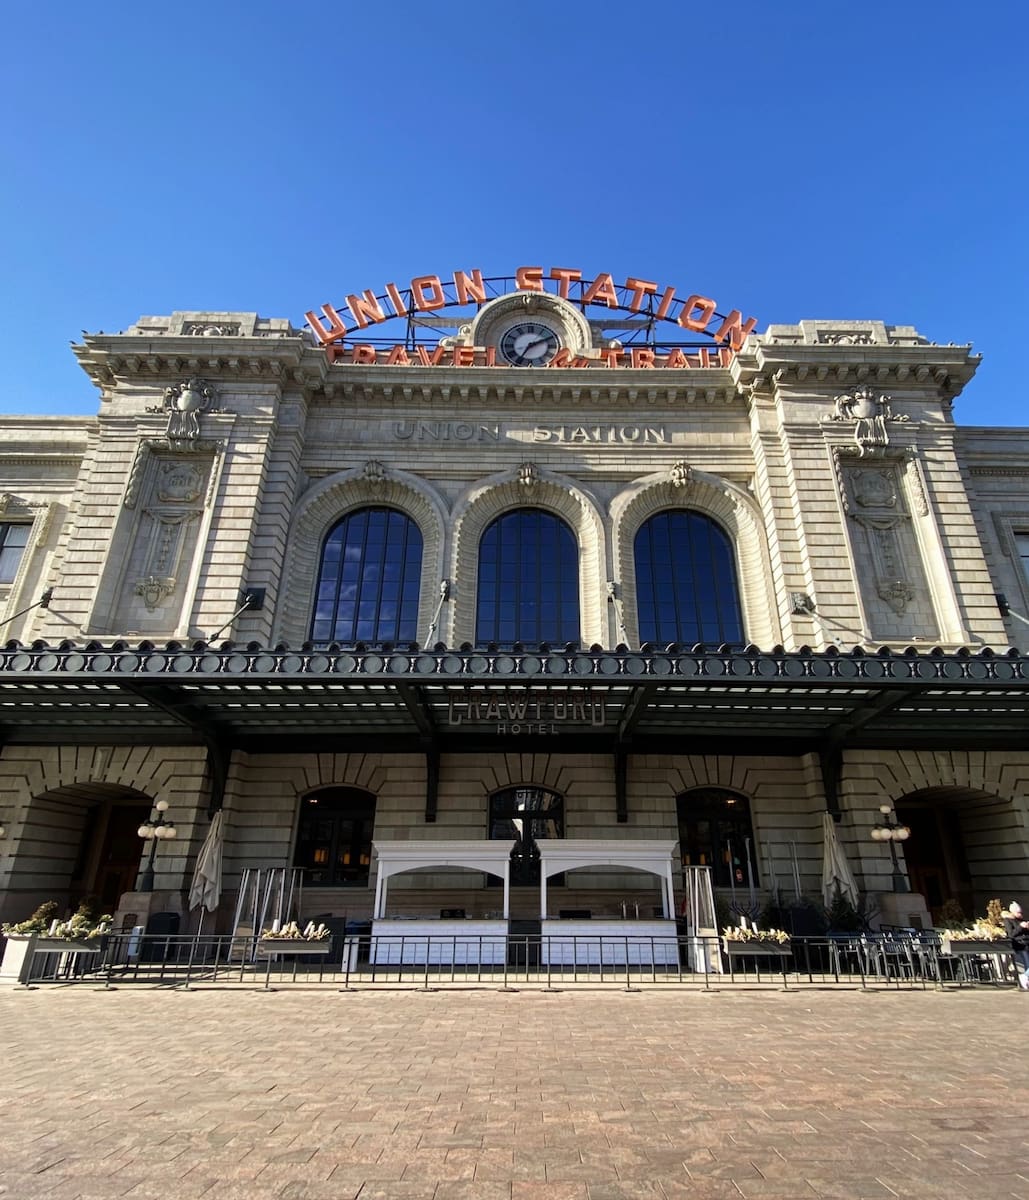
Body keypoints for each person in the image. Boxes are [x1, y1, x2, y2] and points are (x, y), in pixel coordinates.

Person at [1003, 901, 1029, 990]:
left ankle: (1026, 978)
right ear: (1013, 912)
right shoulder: (1008, 920)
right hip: (1020, 944)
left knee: (1027, 965)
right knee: (1027, 963)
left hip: (1027, 943)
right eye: (1018, 912)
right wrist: (1021, 927)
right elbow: (1011, 934)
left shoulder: (1021, 919)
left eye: (1021, 912)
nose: (1020, 914)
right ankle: (1024, 977)